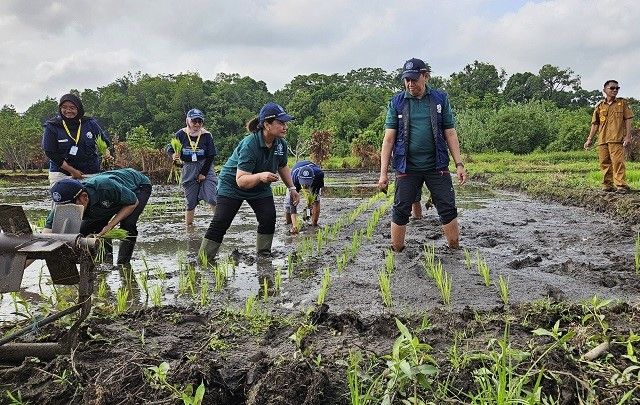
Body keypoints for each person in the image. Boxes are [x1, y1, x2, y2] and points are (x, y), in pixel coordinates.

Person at [378, 58, 467, 251]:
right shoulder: (397, 102)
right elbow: (388, 139)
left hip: (437, 165)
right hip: (407, 167)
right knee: (401, 209)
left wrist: (459, 164)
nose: (410, 84)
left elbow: (450, 133)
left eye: (414, 79)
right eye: (406, 80)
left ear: (425, 76)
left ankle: (454, 249)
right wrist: (383, 173)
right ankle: (397, 251)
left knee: (447, 207)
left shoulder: (439, 99)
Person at [199, 102, 299, 259]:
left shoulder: (281, 144)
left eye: (285, 123)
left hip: (259, 186)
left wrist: (292, 188)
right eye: (281, 123)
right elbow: (241, 180)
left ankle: (264, 255)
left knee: (268, 217)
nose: (285, 126)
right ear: (267, 124)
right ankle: (204, 259)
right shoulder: (250, 144)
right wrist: (260, 176)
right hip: (232, 185)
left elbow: (283, 166)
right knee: (221, 221)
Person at [44, 168, 152, 267]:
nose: (68, 211)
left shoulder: (105, 187)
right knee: (84, 230)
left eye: (71, 207)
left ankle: (123, 265)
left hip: (137, 187)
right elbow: (46, 237)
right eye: (64, 208)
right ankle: (106, 261)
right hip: (111, 197)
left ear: (84, 198)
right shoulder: (63, 204)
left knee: (128, 224)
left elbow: (133, 202)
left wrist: (109, 226)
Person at [42, 93, 113, 186]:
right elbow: (50, 152)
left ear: (79, 108)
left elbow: (103, 142)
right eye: (64, 107)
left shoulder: (90, 123)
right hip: (61, 173)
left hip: (89, 172)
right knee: (64, 199)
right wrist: (72, 171)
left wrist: (106, 153)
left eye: (72, 108)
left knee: (90, 199)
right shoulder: (52, 126)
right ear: (60, 108)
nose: (68, 111)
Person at [167, 108, 218, 225]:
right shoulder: (180, 134)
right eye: (194, 121)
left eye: (200, 121)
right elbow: (169, 148)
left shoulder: (206, 135)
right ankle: (189, 230)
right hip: (189, 168)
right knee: (190, 202)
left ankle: (219, 225)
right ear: (188, 121)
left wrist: (203, 174)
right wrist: (173, 155)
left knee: (212, 198)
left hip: (205, 166)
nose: (197, 124)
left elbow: (211, 156)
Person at [584, 80, 634, 193]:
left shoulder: (622, 103)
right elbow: (595, 124)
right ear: (605, 90)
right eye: (612, 88)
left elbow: (628, 120)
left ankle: (621, 185)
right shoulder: (600, 106)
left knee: (617, 162)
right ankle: (607, 185)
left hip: (616, 139)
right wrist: (589, 139)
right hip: (602, 139)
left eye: (617, 88)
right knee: (604, 162)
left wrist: (628, 136)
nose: (615, 90)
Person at [285, 160, 324, 233]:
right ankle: (289, 223)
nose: (305, 186)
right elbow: (292, 205)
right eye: (304, 184)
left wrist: (308, 212)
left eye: (307, 184)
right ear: (299, 178)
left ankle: (313, 224)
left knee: (315, 200)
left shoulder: (319, 175)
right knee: (288, 204)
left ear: (313, 178)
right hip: (294, 177)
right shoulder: (294, 179)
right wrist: (295, 225)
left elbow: (314, 202)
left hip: (315, 179)